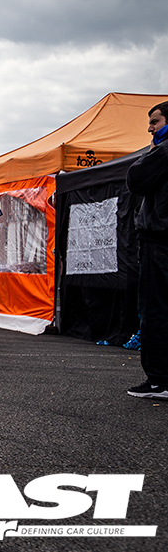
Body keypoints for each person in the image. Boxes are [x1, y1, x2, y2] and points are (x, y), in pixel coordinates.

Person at [126, 101, 168, 399]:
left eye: (155, 121)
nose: (150, 128)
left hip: (160, 240)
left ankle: (160, 380)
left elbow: (135, 179)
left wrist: (151, 151)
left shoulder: (163, 152)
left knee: (156, 309)